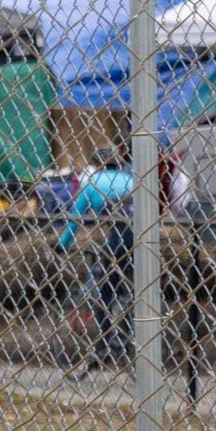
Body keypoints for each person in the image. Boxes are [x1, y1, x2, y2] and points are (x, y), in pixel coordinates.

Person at [61, 147, 136, 375]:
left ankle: (104, 347)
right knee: (131, 292)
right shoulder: (131, 180)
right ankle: (127, 339)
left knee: (104, 292)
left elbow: (75, 218)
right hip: (139, 240)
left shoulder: (92, 182)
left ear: (96, 164)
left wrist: (62, 244)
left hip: (118, 239)